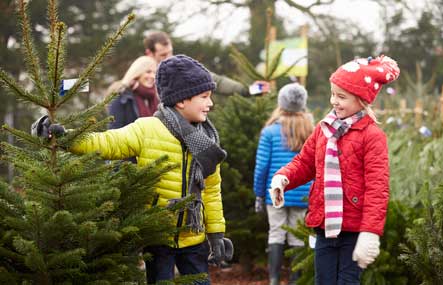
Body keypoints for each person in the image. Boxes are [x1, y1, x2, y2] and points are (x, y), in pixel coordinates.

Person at [33, 55, 233, 284]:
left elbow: (211, 191)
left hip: (194, 239)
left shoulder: (207, 140)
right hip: (157, 239)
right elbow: (105, 142)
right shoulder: (147, 129)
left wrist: (216, 234)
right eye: (204, 97)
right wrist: (66, 136)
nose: (211, 104)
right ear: (181, 100)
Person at [269, 55, 400, 284]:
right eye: (332, 94)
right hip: (324, 225)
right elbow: (305, 162)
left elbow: (377, 188)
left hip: (353, 229)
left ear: (362, 99)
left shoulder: (372, 136)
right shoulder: (323, 129)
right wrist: (284, 177)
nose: (334, 101)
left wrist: (370, 232)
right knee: (324, 280)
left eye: (341, 96)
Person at [253, 83, 314, 285]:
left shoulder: (270, 132)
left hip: (276, 191)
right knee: (297, 237)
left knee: (276, 232)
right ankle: (295, 280)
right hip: (303, 192)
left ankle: (274, 280)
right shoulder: (310, 130)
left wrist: (259, 194)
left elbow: (262, 167)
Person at [144, 31, 270, 96]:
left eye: (170, 52)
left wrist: (253, 89)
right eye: (163, 55)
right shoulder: (141, 76)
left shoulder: (182, 68)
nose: (169, 58)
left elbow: (217, 82)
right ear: (150, 53)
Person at [107, 56, 159, 130]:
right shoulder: (121, 95)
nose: (153, 76)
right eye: (148, 72)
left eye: (155, 73)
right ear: (137, 72)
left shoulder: (156, 97)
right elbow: (114, 130)